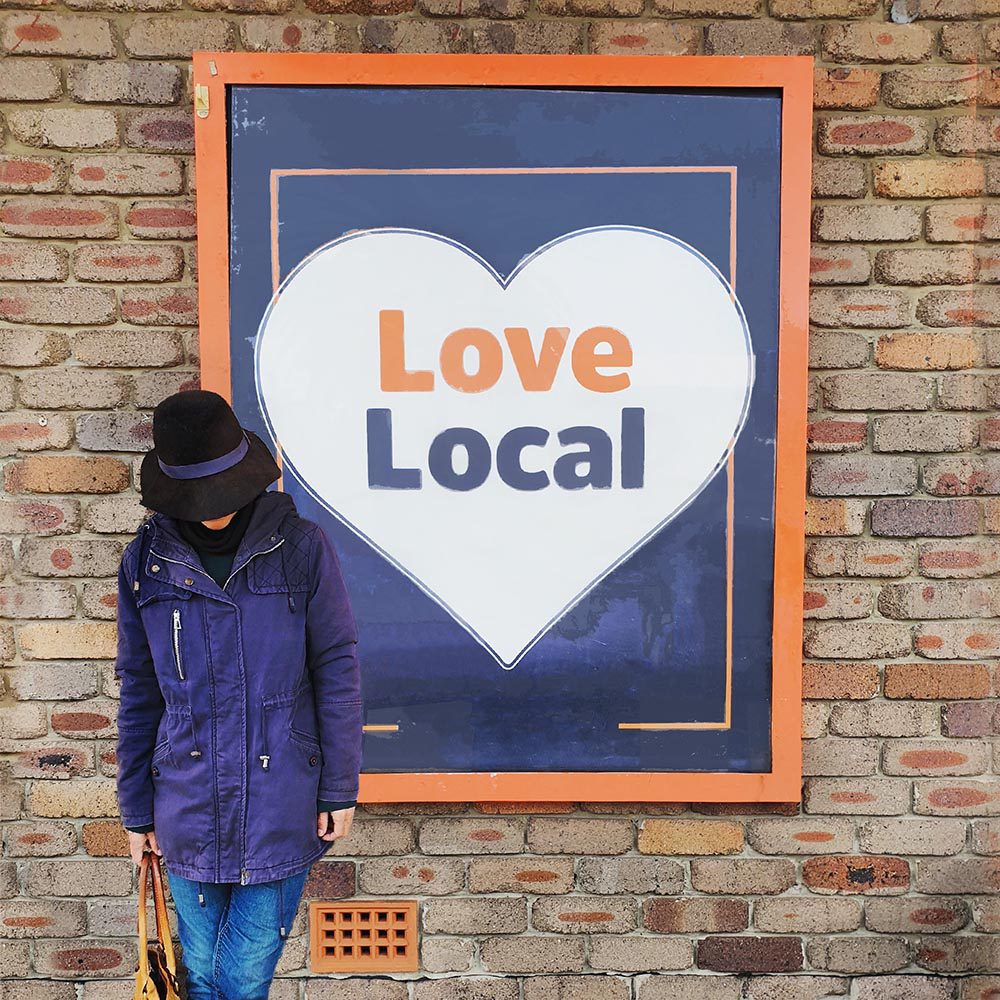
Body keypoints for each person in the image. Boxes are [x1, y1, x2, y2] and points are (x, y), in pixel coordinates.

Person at [114, 389, 364, 1000]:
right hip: (187, 803)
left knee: (242, 980)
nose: (212, 508)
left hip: (283, 799)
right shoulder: (146, 564)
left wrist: (340, 788)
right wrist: (135, 808)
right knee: (198, 974)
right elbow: (139, 689)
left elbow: (337, 668)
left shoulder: (301, 548)